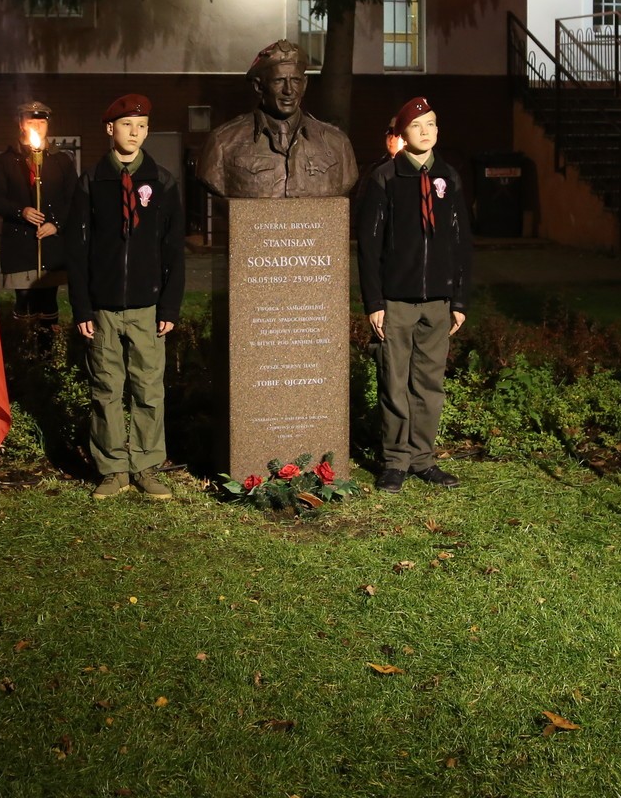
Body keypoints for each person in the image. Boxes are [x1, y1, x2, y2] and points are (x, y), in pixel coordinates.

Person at [65, 94, 186, 500]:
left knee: (149, 390)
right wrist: (82, 306)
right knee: (106, 389)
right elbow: (77, 250)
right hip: (103, 308)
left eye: (142, 126)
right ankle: (112, 468)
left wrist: (169, 304)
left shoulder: (162, 181)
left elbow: (173, 249)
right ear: (109, 129)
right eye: (127, 125)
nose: (135, 133)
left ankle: (147, 466)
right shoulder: (92, 182)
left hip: (147, 308)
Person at [355, 97, 471, 493]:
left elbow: (461, 241)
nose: (426, 131)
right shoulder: (386, 178)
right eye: (418, 126)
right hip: (396, 301)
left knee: (429, 384)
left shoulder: (448, 177)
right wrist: (374, 302)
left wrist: (459, 300)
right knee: (394, 382)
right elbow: (369, 244)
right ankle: (395, 460)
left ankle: (423, 458)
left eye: (432, 124)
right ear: (403, 134)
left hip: (438, 301)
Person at [197, 39, 358, 198]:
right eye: (279, 81)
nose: (289, 90)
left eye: (295, 80)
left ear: (305, 84)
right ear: (258, 86)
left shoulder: (338, 143)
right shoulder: (222, 143)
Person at [0, 100, 78, 350]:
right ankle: (23, 355)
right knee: (25, 301)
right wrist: (21, 211)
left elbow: (74, 199)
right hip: (20, 246)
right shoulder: (7, 161)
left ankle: (48, 355)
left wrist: (56, 224)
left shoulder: (61, 161)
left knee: (48, 301)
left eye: (41, 121)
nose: (37, 126)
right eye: (31, 121)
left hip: (50, 246)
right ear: (21, 124)